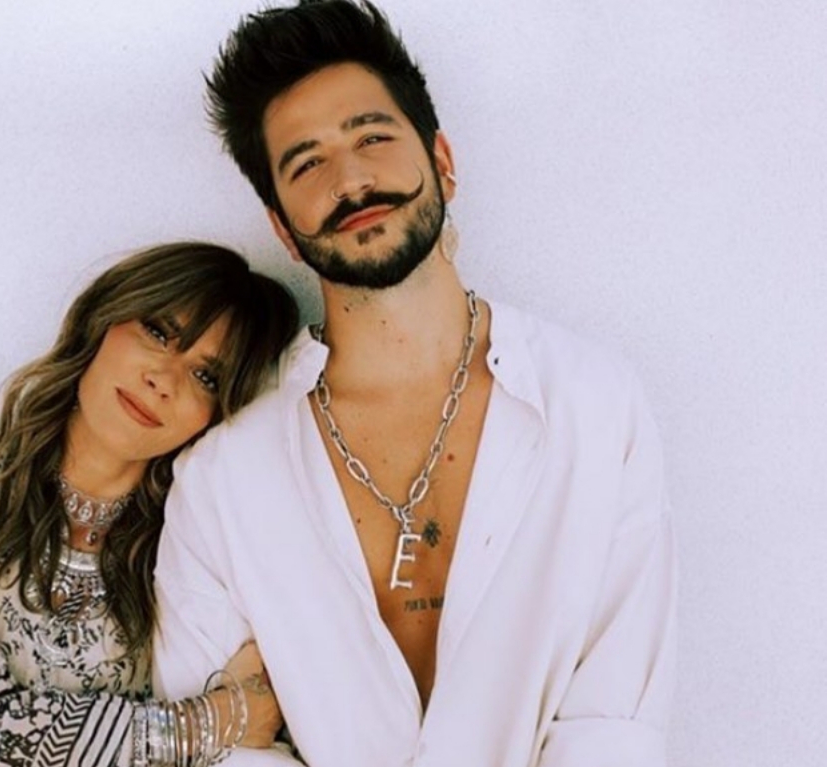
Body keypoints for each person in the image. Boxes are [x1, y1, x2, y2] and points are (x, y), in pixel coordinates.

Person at [152, 3, 677, 766]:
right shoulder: (221, 481)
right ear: (282, 228)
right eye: (307, 163)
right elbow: (217, 752)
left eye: (372, 137)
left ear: (443, 160)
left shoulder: (593, 407)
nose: (352, 179)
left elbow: (614, 724)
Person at [0, 242, 299, 766]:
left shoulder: (194, 548)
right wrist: (211, 722)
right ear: (100, 321)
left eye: (205, 377)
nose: (163, 380)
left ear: (216, 415)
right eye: (158, 333)